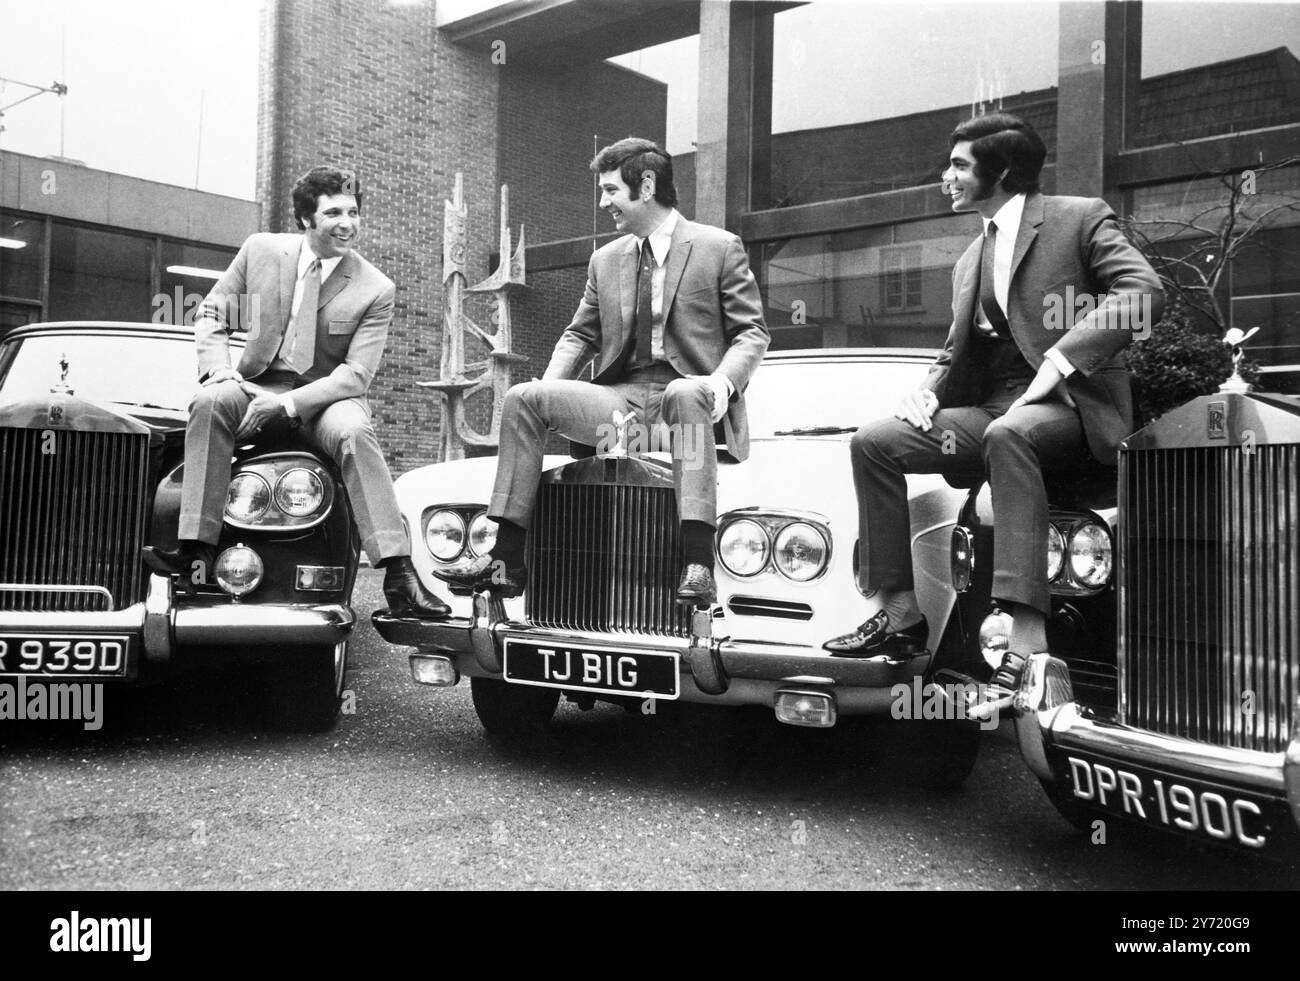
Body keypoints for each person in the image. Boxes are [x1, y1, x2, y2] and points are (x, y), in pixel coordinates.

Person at [823, 113, 1163, 690]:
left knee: (1012, 434)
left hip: (1070, 409)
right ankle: (902, 613)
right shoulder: (969, 260)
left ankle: (1027, 636)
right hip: (996, 410)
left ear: (1002, 171)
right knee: (874, 442)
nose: (945, 177)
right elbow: (956, 354)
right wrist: (923, 394)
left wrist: (1060, 360)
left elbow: (1143, 293)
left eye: (959, 165)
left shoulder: (1078, 218)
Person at [442, 137, 770, 605]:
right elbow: (580, 335)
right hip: (624, 410)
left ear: (648, 185)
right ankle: (507, 562)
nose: (603, 202)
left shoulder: (719, 248)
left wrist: (720, 383)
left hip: (693, 412)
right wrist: (549, 386)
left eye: (611, 190)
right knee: (523, 397)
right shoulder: (606, 259)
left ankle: (697, 562)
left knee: (685, 392)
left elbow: (752, 333)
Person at [143, 165, 449, 619]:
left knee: (355, 435)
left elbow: (356, 375)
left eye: (354, 211)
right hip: (255, 383)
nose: (348, 222)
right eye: (334, 213)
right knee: (208, 401)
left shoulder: (375, 287)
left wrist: (286, 405)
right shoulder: (260, 251)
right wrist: (220, 370)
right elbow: (211, 314)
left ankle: (398, 574)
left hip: (326, 397)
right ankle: (196, 551)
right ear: (306, 219)